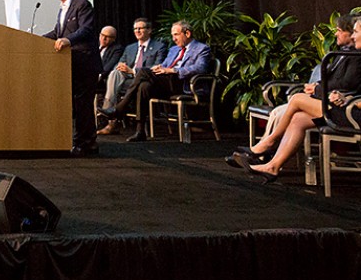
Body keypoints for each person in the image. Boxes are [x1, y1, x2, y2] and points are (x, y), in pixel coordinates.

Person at [233, 17, 361, 182]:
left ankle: (268, 143)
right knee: (298, 120)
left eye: (356, 32)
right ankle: (273, 166)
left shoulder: (357, 57)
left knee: (297, 99)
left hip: (353, 114)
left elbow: (349, 84)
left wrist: (345, 97)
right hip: (343, 107)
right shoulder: (349, 53)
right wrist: (342, 95)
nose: (353, 36)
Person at [99, 20, 213, 142]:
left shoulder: (202, 48)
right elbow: (164, 64)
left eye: (176, 34)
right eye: (172, 35)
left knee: (142, 72)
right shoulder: (174, 49)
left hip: (184, 84)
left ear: (188, 33)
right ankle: (140, 131)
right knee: (144, 86)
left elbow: (200, 68)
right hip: (167, 84)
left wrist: (173, 70)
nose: (173, 38)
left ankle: (119, 109)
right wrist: (159, 68)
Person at [43, 0, 102, 156]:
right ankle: (79, 141)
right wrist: (37, 39)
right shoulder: (63, 9)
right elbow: (57, 32)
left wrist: (67, 40)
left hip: (85, 62)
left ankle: (86, 144)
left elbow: (86, 29)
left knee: (83, 104)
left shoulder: (82, 4)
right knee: (75, 104)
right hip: (71, 63)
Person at [98, 18, 168, 135]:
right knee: (115, 72)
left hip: (145, 79)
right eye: (135, 29)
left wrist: (133, 71)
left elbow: (156, 67)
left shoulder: (159, 46)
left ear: (149, 30)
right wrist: (121, 67)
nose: (137, 31)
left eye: (140, 28)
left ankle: (112, 117)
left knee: (141, 84)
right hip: (126, 79)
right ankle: (110, 115)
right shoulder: (130, 48)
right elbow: (120, 63)